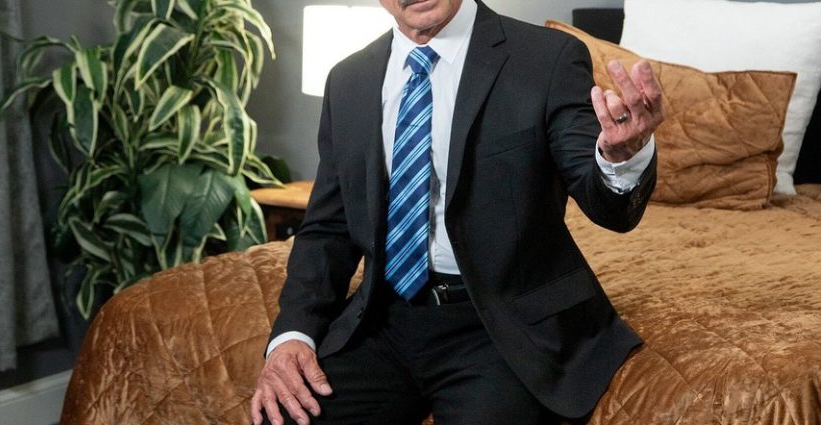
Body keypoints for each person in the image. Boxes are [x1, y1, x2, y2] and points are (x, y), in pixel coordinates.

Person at [251, 0, 664, 423]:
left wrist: (621, 158)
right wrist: (293, 334)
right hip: (383, 317)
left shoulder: (547, 57)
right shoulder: (348, 79)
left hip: (501, 327)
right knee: (281, 417)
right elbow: (327, 229)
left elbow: (608, 206)